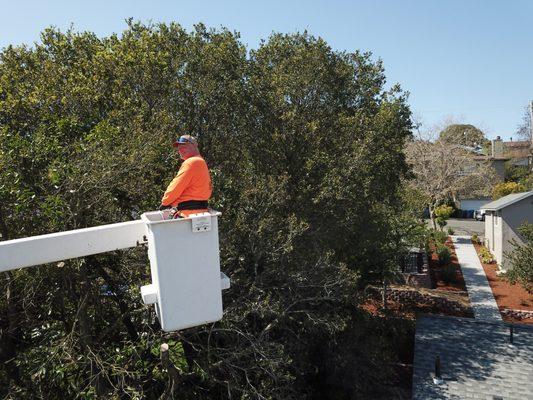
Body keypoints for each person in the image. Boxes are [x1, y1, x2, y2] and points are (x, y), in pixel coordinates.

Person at [159, 134, 212, 218]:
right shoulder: (200, 161)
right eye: (179, 147)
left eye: (184, 146)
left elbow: (176, 186)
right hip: (200, 212)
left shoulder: (192, 162)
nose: (180, 149)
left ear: (194, 146)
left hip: (188, 215)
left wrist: (165, 202)